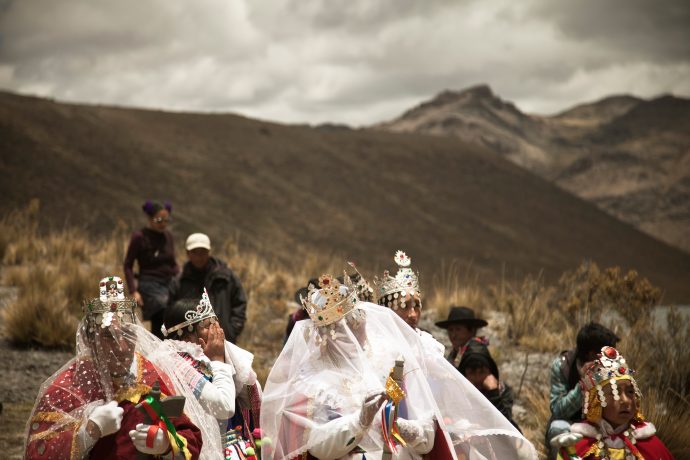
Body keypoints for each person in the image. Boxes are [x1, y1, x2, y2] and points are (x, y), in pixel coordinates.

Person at [261, 273, 536, 459]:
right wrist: (359, 422)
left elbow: (429, 432)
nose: (359, 335)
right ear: (327, 335)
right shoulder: (312, 380)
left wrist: (407, 429)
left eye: (359, 326)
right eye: (347, 330)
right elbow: (316, 446)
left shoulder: (390, 362)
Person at [24, 275, 215, 460]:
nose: (121, 346)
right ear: (90, 340)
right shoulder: (69, 386)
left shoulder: (149, 375)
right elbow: (37, 451)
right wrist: (87, 432)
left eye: (127, 334)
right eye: (109, 337)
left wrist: (165, 444)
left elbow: (190, 439)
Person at [163, 292, 262, 460]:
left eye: (216, 323)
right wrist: (217, 360)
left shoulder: (211, 356)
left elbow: (252, 392)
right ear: (188, 337)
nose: (218, 331)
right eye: (208, 326)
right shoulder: (179, 366)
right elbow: (223, 406)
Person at [552, 346, 673, 459]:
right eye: (615, 393)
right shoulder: (578, 444)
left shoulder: (649, 443)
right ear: (597, 401)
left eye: (630, 392)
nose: (625, 401)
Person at [546, 323, 620, 454]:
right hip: (571, 422)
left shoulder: (614, 366)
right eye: (608, 353)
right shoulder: (563, 366)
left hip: (604, 423)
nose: (613, 357)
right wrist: (583, 386)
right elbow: (558, 410)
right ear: (592, 354)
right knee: (558, 429)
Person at [170, 233, 247, 343]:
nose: (199, 256)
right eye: (194, 252)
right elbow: (172, 312)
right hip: (191, 345)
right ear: (187, 253)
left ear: (209, 252)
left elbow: (239, 303)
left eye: (203, 252)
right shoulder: (179, 282)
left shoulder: (225, 277)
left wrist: (232, 330)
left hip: (224, 340)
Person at [124, 200, 179, 339]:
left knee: (175, 316)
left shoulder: (168, 237)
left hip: (168, 283)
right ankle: (157, 352)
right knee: (161, 315)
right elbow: (128, 265)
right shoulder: (139, 237)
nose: (163, 224)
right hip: (149, 285)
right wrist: (133, 291)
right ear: (149, 218)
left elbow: (173, 263)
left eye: (166, 220)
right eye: (159, 220)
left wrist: (180, 280)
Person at [374, 250, 444, 356]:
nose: (413, 315)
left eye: (416, 305)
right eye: (404, 306)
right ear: (387, 310)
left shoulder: (429, 348)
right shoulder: (374, 347)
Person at [458, 340, 521, 431]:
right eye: (472, 372)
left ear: (490, 372)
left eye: (482, 372)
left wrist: (493, 393)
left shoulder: (501, 390)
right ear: (464, 374)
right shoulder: (457, 390)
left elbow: (504, 422)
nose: (477, 378)